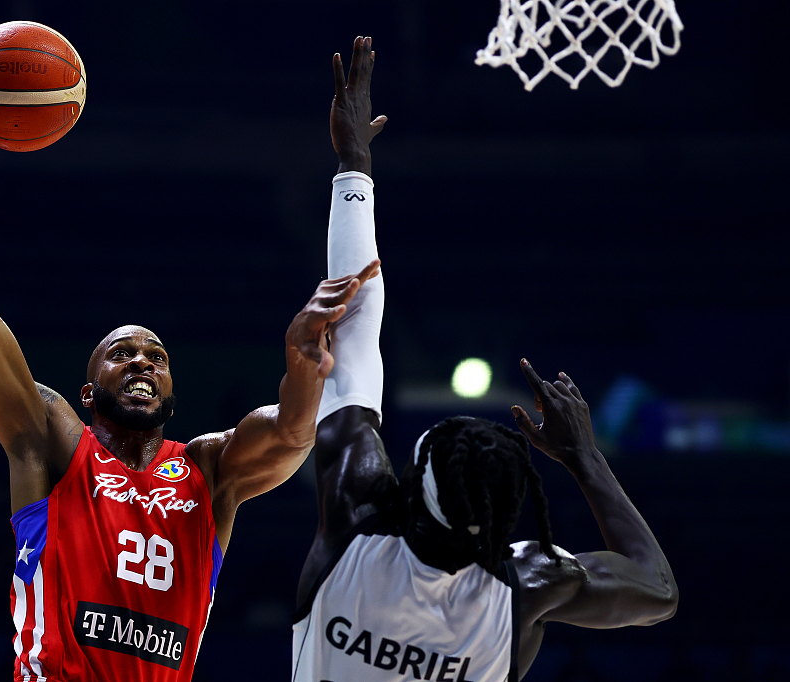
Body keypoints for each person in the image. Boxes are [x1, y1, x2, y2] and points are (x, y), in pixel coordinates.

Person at [0, 24, 379, 682]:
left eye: (156, 356)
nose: (142, 362)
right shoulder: (49, 438)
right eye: (122, 354)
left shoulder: (209, 470)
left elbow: (293, 431)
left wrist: (304, 364)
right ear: (86, 390)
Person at [291, 37, 679, 682]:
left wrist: (353, 164)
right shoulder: (532, 581)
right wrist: (585, 457)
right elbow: (658, 592)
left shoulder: (357, 515)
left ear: (413, 486)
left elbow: (353, 327)